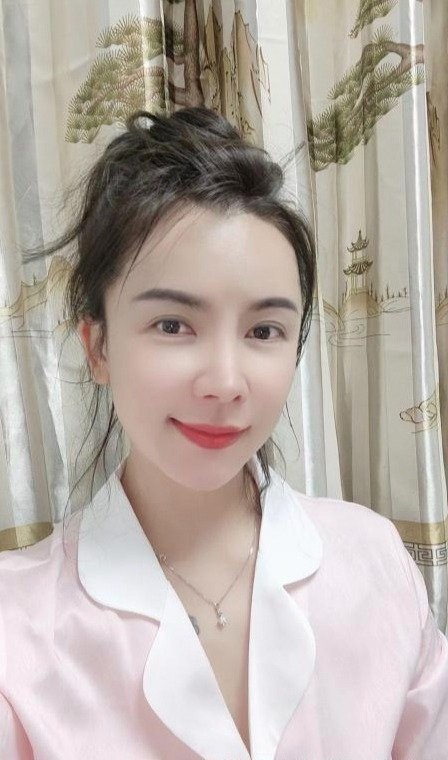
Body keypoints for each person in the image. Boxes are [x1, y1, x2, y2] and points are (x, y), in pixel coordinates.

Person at [0, 106, 447, 760]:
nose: (225, 382)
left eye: (264, 330)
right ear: (97, 346)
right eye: (173, 325)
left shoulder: (375, 561)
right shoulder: (15, 625)